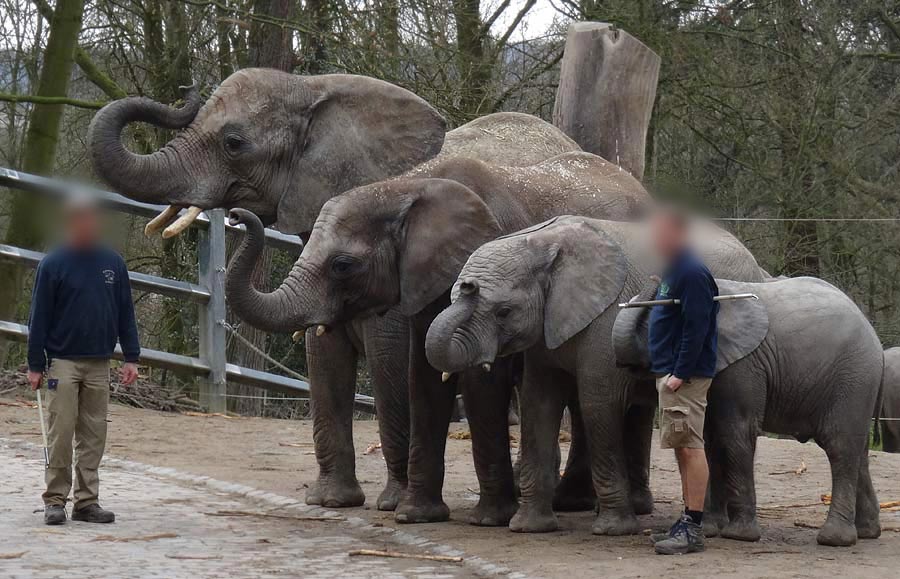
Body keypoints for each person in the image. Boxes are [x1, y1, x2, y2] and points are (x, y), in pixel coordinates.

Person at [27, 193, 140, 526]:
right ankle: (55, 500)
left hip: (99, 362)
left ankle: (87, 501)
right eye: (82, 218)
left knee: (94, 434)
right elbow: (39, 318)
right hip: (62, 362)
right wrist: (35, 363)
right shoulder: (53, 264)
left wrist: (131, 356)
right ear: (71, 222)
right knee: (60, 432)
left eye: (92, 218)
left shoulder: (113, 264)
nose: (88, 224)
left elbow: (125, 313)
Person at [647, 209, 718, 555]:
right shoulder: (675, 270)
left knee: (690, 447)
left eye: (660, 232)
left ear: (677, 233)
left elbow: (697, 326)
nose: (655, 239)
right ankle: (687, 520)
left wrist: (680, 372)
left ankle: (693, 527)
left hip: (684, 377)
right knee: (681, 445)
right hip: (671, 373)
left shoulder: (692, 272)